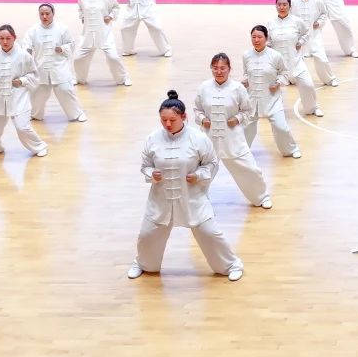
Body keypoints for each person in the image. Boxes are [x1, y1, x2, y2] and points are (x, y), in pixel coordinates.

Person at [127, 90, 244, 282]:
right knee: (147, 235)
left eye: (172, 120)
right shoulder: (152, 139)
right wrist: (151, 174)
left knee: (210, 233)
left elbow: (212, 163)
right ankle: (143, 263)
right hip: (161, 200)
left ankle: (231, 265)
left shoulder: (199, 139)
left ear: (184, 117)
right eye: (163, 120)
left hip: (192, 198)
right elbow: (145, 165)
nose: (167, 124)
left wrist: (198, 175)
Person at [193, 54, 272, 209]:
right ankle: (196, 200)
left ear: (229, 69)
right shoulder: (204, 87)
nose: (219, 71)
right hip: (209, 139)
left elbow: (247, 111)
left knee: (250, 169)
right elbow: (197, 110)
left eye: (223, 68)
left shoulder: (238, 88)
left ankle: (262, 197)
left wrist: (237, 118)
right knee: (201, 171)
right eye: (215, 68)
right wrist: (202, 120)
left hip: (233, 139)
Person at [0, 25, 48, 158]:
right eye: (1, 38)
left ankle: (39, 146)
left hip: (19, 99)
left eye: (8, 38)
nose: (5, 41)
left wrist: (22, 81)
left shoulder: (24, 55)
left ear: (14, 37)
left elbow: (35, 75)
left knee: (22, 128)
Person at [242, 25, 301, 158]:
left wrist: (278, 83)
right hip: (252, 99)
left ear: (266, 38)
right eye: (253, 37)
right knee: (246, 128)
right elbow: (246, 73)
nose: (256, 40)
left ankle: (291, 149)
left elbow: (284, 72)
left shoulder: (275, 55)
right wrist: (245, 81)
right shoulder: (246, 55)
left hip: (272, 99)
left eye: (259, 37)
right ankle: (242, 152)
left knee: (281, 127)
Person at [25, 3, 87, 123]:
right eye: (42, 14)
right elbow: (26, 46)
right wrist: (27, 55)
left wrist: (62, 48)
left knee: (65, 91)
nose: (44, 16)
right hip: (41, 69)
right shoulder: (33, 30)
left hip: (59, 68)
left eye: (47, 14)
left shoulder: (62, 29)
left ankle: (77, 114)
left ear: (53, 14)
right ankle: (36, 115)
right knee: (37, 94)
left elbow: (71, 44)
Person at [268, 0, 323, 117]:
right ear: (276, 6)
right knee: (270, 88)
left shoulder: (297, 21)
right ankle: (272, 110)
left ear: (290, 6)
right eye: (279, 5)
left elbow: (307, 32)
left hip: (296, 61)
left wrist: (301, 42)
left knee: (308, 84)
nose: (282, 7)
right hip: (278, 65)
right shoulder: (270, 23)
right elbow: (268, 40)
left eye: (285, 4)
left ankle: (312, 108)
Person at [75, 0, 131, 87]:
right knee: (78, 58)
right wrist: (82, 17)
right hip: (88, 34)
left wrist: (110, 16)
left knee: (113, 57)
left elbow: (116, 7)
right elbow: (80, 8)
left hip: (104, 33)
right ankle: (80, 79)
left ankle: (123, 78)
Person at [292, 0, 338, 87]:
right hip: (299, 36)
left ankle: (330, 79)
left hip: (314, 35)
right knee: (295, 58)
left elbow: (324, 14)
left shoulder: (317, 1)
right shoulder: (293, 2)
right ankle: (293, 79)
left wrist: (319, 22)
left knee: (321, 57)